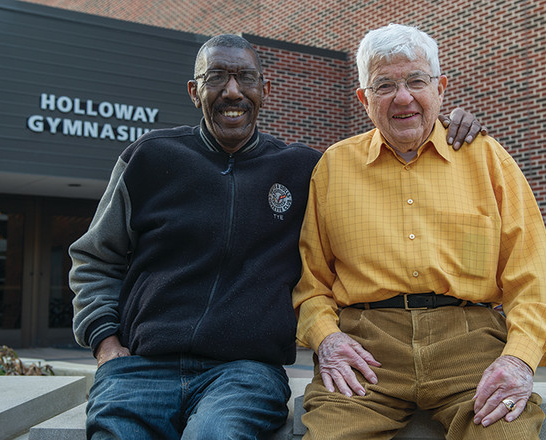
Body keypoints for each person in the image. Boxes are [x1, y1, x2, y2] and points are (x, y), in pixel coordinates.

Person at [69, 33, 482, 439]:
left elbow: (385, 169)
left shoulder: (304, 169)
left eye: (245, 78)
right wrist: (106, 346)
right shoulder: (148, 157)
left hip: (244, 372)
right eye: (216, 78)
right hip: (142, 365)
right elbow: (95, 260)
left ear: (264, 90)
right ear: (195, 92)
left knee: (216, 435)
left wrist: (437, 125)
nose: (232, 91)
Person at [292, 24, 546, 440]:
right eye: (384, 85)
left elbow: (536, 280)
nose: (403, 97)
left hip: (470, 346)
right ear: (364, 99)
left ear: (440, 87)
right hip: (366, 354)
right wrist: (327, 339)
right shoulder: (333, 168)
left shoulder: (486, 159)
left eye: (416, 81)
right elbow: (310, 282)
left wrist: (519, 359)